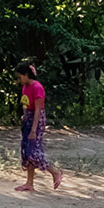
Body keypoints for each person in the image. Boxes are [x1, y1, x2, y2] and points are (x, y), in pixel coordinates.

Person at [15, 62, 63, 192]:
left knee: (34, 153)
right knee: (27, 151)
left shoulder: (37, 88)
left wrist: (33, 130)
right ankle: (29, 183)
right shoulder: (25, 87)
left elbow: (38, 110)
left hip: (36, 121)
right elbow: (26, 105)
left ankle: (54, 172)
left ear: (26, 75)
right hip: (28, 119)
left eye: (20, 77)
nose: (19, 80)